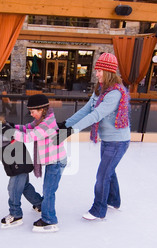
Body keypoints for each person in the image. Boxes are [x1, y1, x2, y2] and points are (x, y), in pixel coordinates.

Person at [57, 52, 131, 221]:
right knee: (109, 172)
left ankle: (99, 209)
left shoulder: (115, 93)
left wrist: (72, 131)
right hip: (108, 140)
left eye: (100, 71)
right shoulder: (100, 89)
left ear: (109, 72)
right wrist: (66, 124)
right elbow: (86, 110)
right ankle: (114, 200)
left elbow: (96, 115)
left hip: (118, 142)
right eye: (96, 70)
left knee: (103, 175)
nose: (96, 74)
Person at [0, 100, 43, 228]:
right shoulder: (4, 126)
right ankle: (41, 204)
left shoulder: (3, 131)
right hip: (20, 164)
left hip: (18, 166)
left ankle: (16, 215)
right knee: (25, 187)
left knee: (14, 189)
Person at [13, 94, 67, 232]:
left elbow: (29, 137)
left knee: (49, 191)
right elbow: (27, 128)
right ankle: (45, 206)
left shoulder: (47, 124)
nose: (31, 115)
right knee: (48, 189)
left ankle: (49, 220)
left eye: (33, 112)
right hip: (53, 161)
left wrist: (11, 133)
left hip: (56, 162)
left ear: (42, 110)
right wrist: (13, 127)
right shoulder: (40, 121)